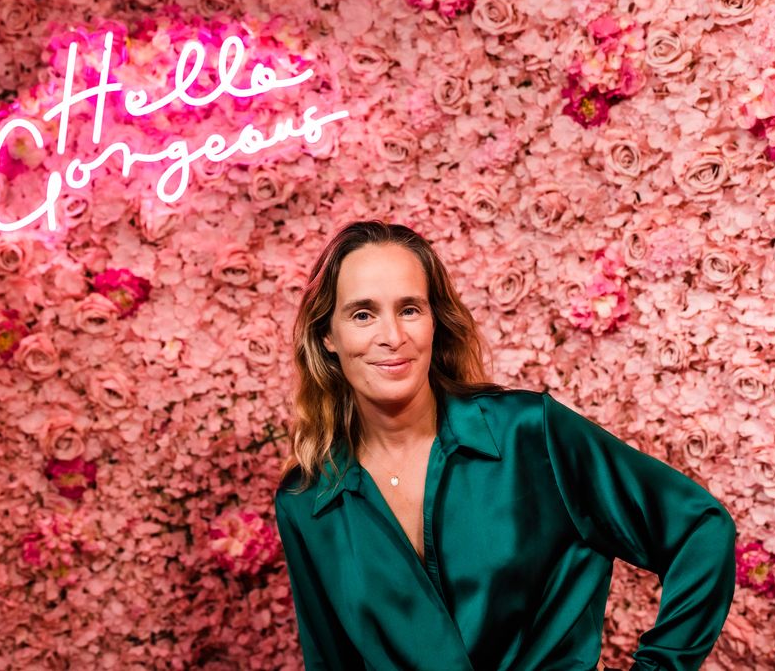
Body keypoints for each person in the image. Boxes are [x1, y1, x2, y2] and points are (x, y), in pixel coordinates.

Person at [273, 220, 737, 671]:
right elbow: (330, 660)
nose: (392, 337)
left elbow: (699, 528)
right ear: (327, 335)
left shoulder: (530, 433)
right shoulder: (306, 500)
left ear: (436, 321)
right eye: (362, 314)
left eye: (410, 309)